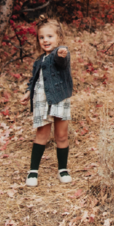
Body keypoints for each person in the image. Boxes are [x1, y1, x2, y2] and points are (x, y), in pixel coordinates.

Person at [21, 17, 74, 187]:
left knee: (61, 135)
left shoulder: (61, 53)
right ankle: (33, 171)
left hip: (59, 99)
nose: (45, 40)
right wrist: (28, 92)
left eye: (50, 36)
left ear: (58, 37)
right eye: (41, 37)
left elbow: (62, 61)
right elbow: (34, 79)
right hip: (42, 100)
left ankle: (63, 169)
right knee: (42, 134)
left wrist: (61, 54)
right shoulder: (39, 61)